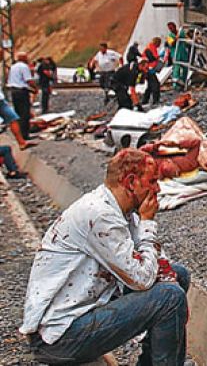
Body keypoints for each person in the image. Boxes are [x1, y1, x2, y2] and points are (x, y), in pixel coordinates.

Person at [20, 148, 193, 365]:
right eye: (152, 181)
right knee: (169, 297)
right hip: (59, 336)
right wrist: (148, 224)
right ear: (131, 182)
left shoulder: (121, 210)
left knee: (179, 276)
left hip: (81, 313)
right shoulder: (100, 215)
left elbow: (157, 266)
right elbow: (141, 279)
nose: (157, 189)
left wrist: (149, 238)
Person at [7, 52, 38, 143]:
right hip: (22, 91)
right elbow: (28, 80)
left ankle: (19, 133)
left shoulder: (13, 67)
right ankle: (25, 134)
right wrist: (35, 88)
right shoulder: (24, 67)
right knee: (25, 113)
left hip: (14, 91)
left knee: (17, 112)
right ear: (24, 58)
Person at [141, 38, 163, 106]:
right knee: (156, 84)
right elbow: (152, 57)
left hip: (148, 69)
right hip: (148, 69)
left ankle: (145, 100)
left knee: (150, 86)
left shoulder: (151, 47)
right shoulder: (150, 47)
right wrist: (159, 57)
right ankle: (155, 101)